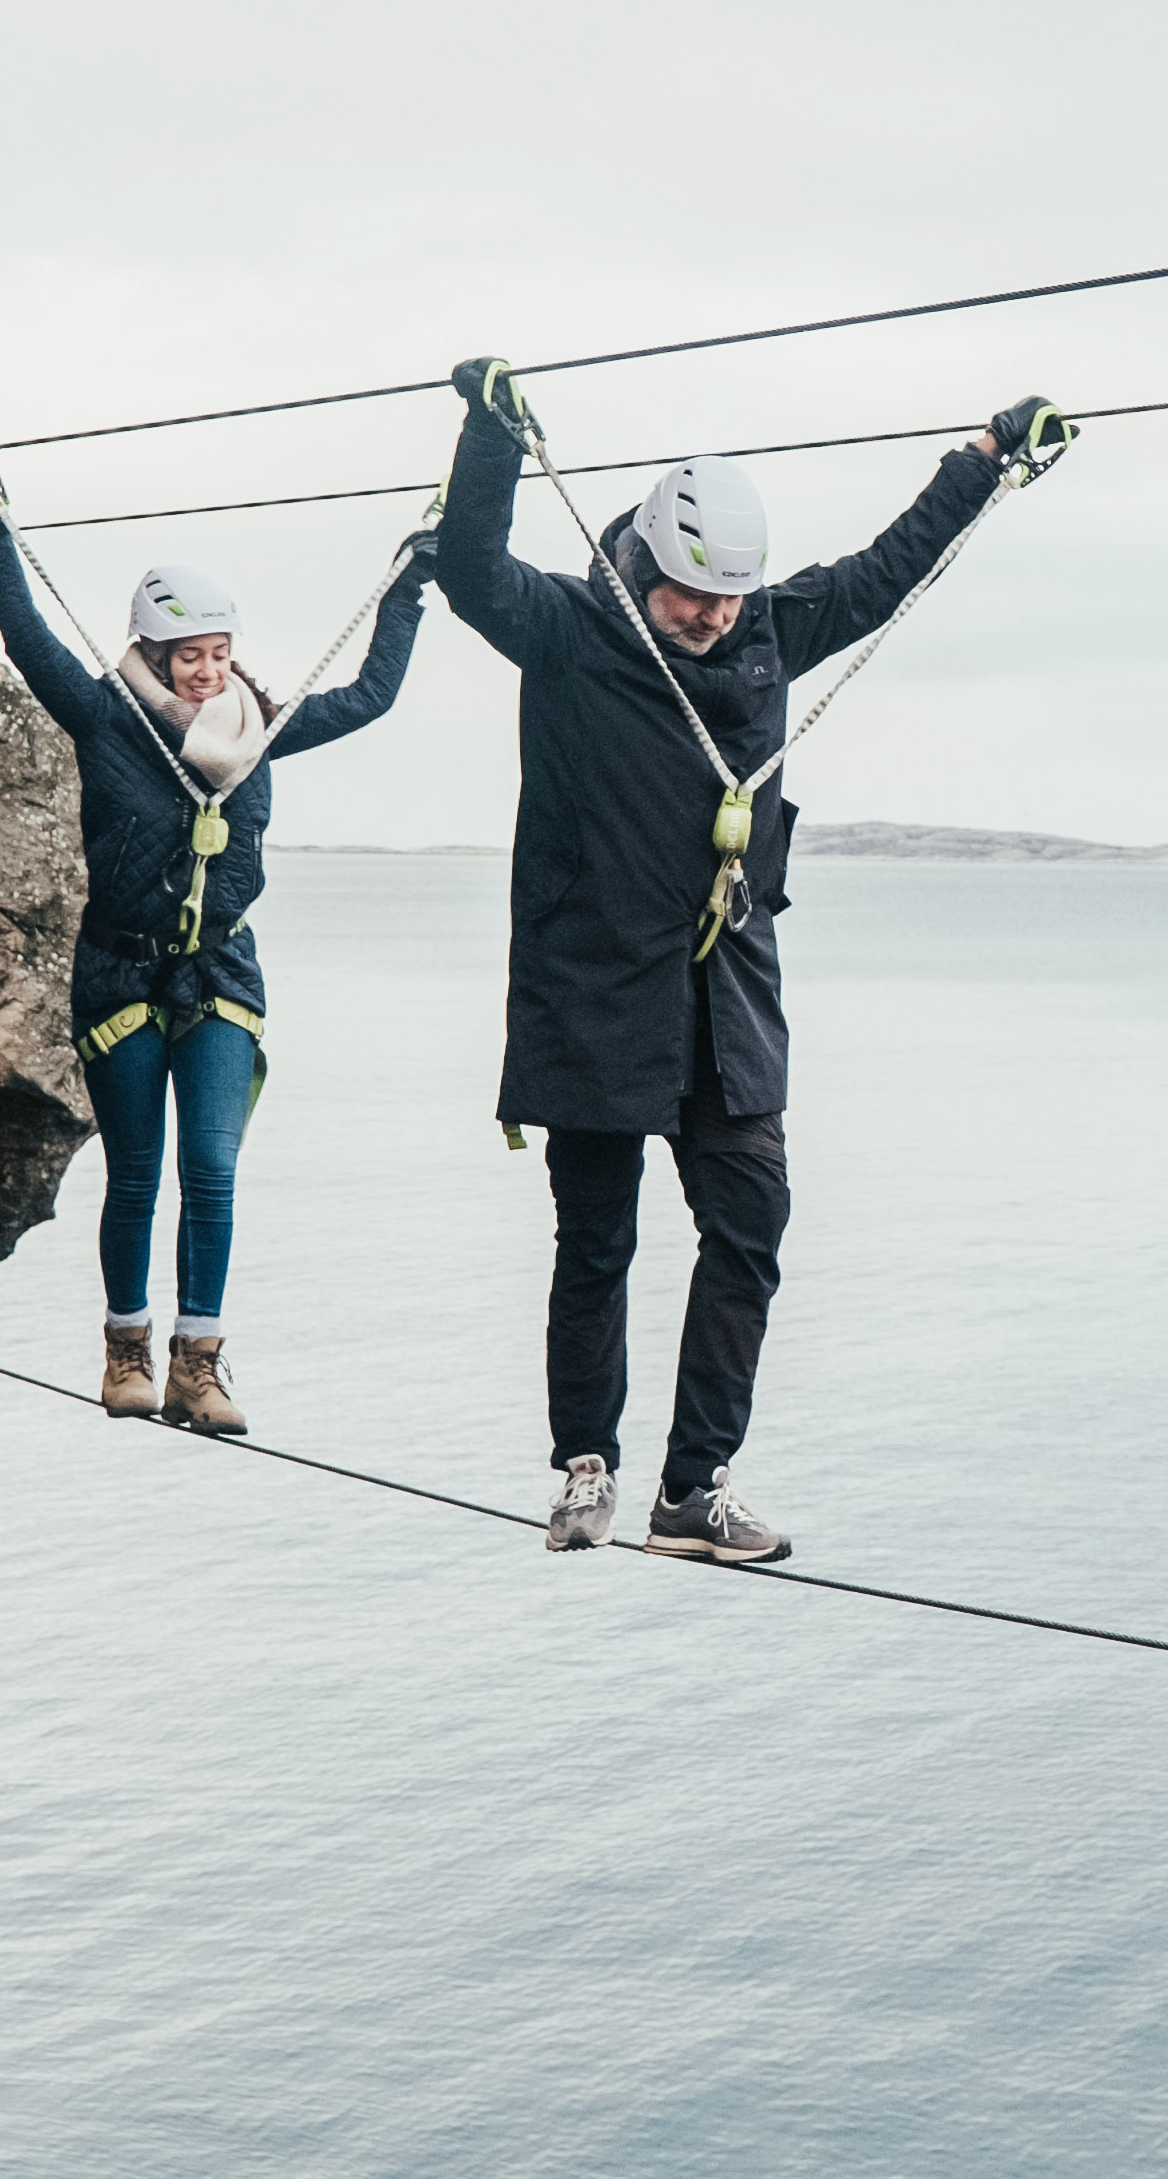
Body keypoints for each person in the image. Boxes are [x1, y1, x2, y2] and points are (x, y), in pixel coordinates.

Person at [430, 362, 1065, 1563]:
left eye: (730, 597)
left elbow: (883, 571)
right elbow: (470, 570)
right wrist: (490, 436)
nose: (715, 617)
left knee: (753, 1224)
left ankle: (694, 1486)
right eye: (693, 596)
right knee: (597, 1242)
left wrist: (983, 458)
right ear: (646, 565)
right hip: (597, 994)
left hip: (724, 1002)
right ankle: (585, 1465)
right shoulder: (571, 628)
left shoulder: (768, 628)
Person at [0, 507, 434, 1432]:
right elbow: (24, 632)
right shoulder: (102, 715)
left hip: (219, 977)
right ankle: (125, 1350)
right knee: (137, 1171)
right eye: (188, 656)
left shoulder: (257, 729)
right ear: (153, 654)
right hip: (122, 975)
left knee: (211, 1167)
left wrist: (411, 585)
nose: (207, 671)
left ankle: (197, 1367)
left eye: (219, 653)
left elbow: (372, 695)